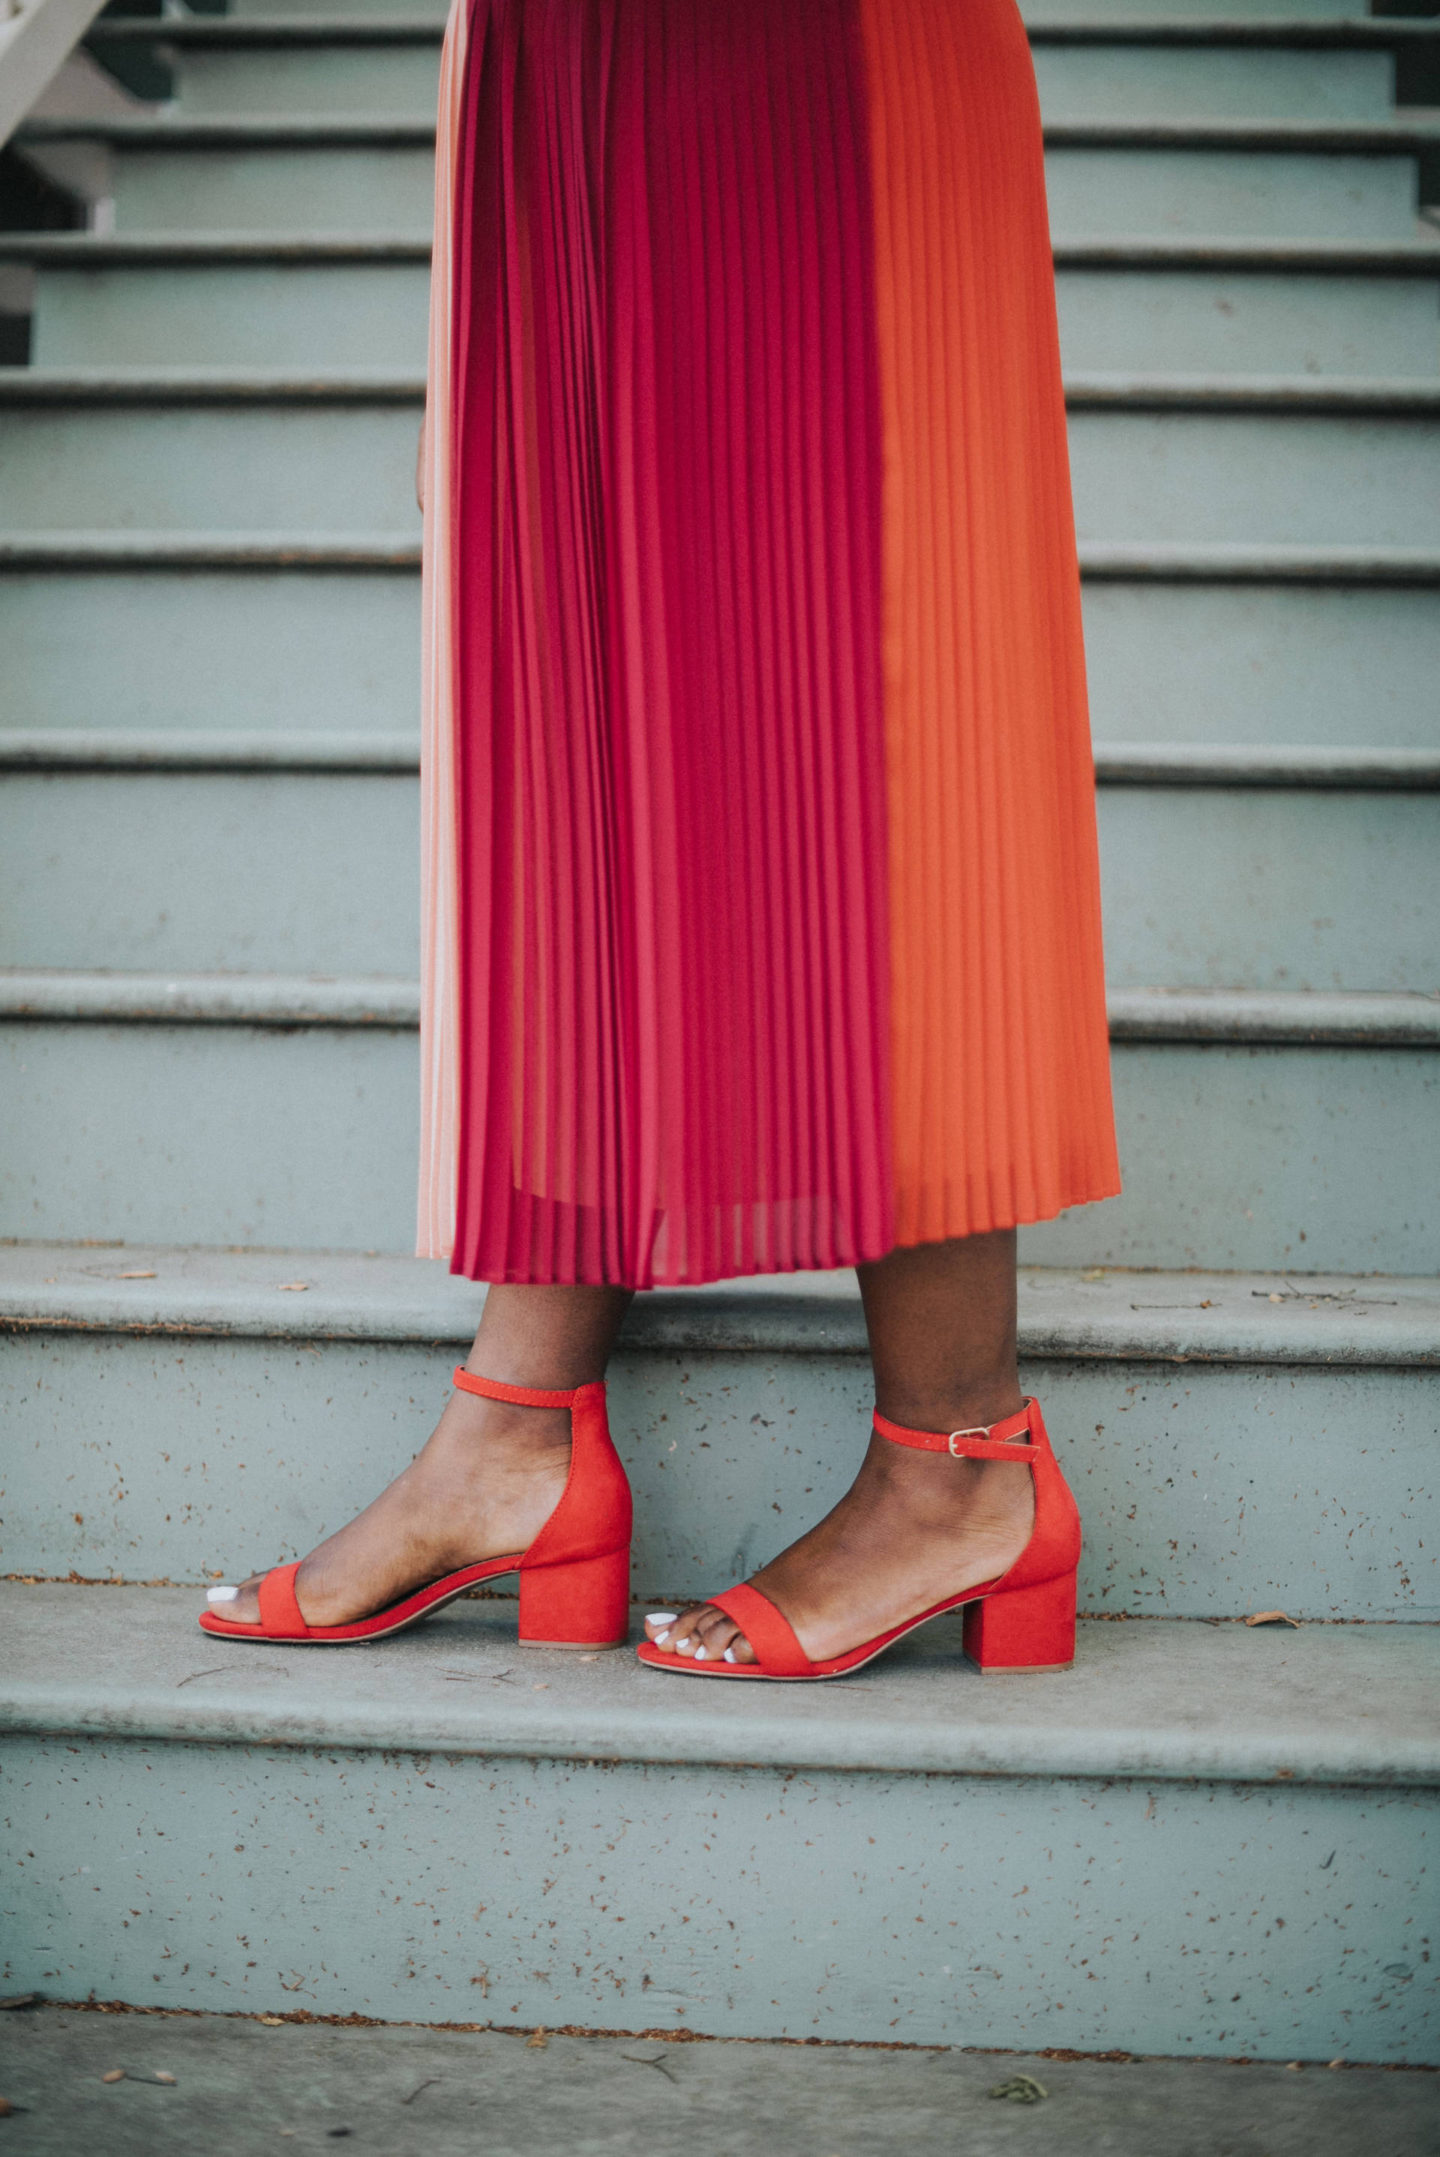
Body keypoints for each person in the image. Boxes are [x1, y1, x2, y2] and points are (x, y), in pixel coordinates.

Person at [200, 0, 1120, 1679]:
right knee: (573, 711)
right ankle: (517, 1428)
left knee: (867, 684)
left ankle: (959, 1456)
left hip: (820, 51)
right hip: (556, 70)